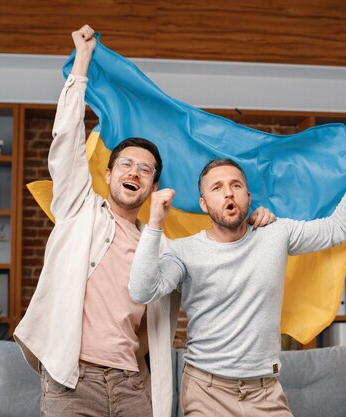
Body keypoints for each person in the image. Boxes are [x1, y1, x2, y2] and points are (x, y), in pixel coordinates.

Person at [14, 25, 275, 417]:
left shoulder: (163, 248)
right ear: (108, 173)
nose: (135, 171)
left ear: (153, 185)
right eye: (127, 164)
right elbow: (66, 137)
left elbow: (220, 277)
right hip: (72, 381)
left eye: (146, 169)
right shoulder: (79, 211)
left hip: (132, 384)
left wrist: (253, 228)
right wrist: (82, 60)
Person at [129, 129, 346, 416]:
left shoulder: (275, 234)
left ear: (247, 196)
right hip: (206, 390)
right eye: (217, 188)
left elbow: (339, 229)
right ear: (204, 203)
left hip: (265, 391)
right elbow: (141, 290)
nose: (228, 192)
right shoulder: (183, 251)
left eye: (235, 185)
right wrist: (156, 223)